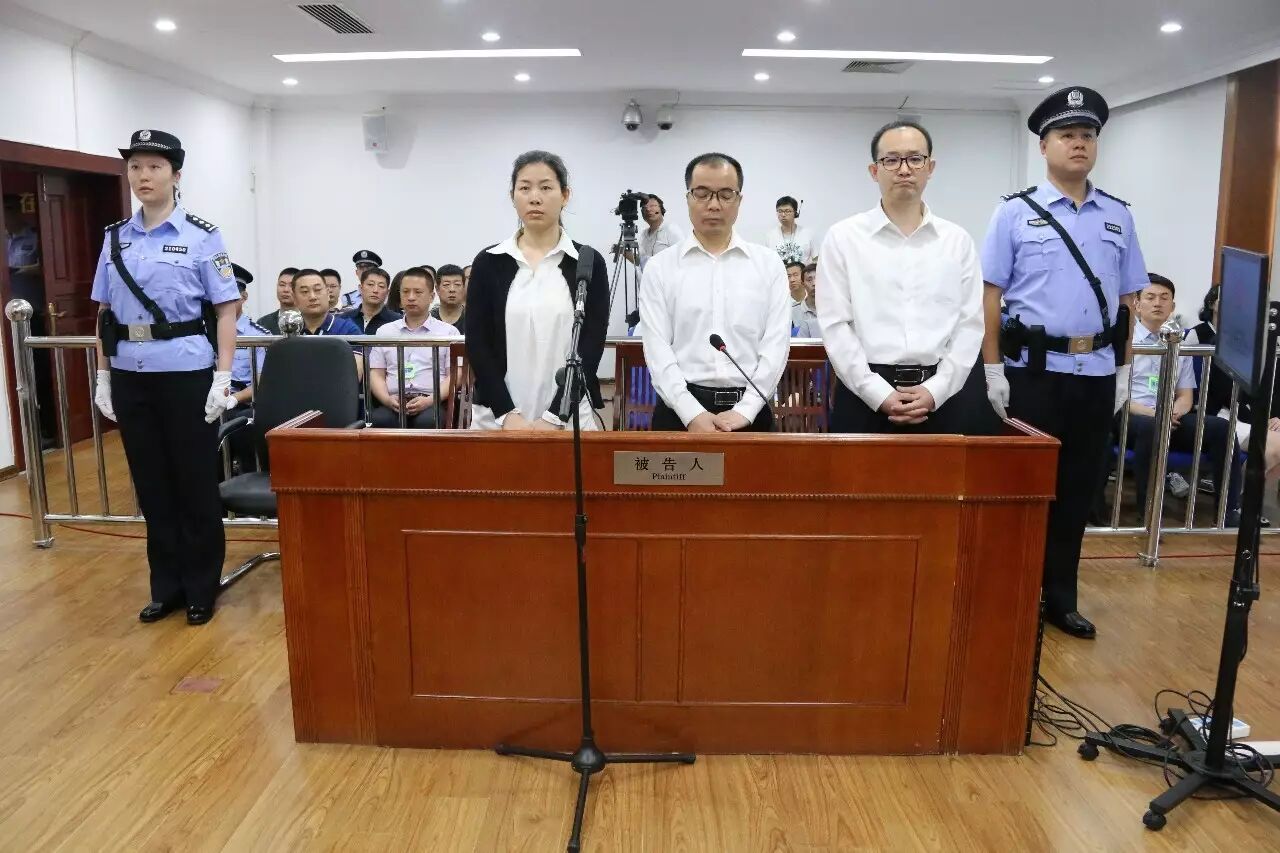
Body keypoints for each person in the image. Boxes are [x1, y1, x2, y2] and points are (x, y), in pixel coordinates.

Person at [981, 87, 1148, 639]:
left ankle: (1060, 598)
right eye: (1067, 135)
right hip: (1033, 374)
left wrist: (1124, 370)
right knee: (1024, 489)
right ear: (1044, 145)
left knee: (1078, 490)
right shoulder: (1014, 213)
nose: (1079, 144)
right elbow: (990, 296)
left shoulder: (1118, 216)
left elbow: (1127, 302)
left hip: (1095, 374)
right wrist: (993, 369)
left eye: (1088, 135)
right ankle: (1012, 592)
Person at [90, 129, 240, 626]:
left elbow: (226, 310)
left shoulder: (202, 236)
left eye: (154, 166)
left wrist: (223, 376)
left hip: (186, 373)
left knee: (194, 483)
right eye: (135, 166)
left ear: (176, 175)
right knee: (151, 485)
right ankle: (167, 587)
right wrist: (104, 376)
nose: (143, 176)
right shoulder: (115, 237)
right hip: (131, 375)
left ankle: (201, 587)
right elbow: (105, 314)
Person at [819, 120, 987, 436]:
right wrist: (876, 393)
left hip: (943, 397)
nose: (904, 169)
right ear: (874, 171)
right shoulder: (843, 238)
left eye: (915, 159)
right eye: (892, 160)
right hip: (864, 397)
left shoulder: (957, 241)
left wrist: (936, 390)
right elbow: (835, 325)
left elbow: (970, 325)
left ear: (930, 167)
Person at [639, 152, 790, 432]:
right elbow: (657, 348)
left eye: (725, 194)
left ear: (739, 200)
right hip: (679, 412)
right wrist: (691, 412)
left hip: (752, 410)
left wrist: (747, 409)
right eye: (702, 193)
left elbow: (776, 344)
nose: (713, 204)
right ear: (688, 198)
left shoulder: (768, 265)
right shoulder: (660, 268)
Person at [466, 150, 610, 431]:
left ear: (565, 195)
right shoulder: (489, 262)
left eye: (546, 188)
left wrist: (556, 415)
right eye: (524, 188)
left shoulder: (587, 262)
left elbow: (591, 343)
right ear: (512, 196)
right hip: (497, 417)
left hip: (569, 417)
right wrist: (507, 414)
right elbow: (478, 343)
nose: (535, 198)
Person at [1125, 273, 1242, 521]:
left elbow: (1186, 395)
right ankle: (1148, 513)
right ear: (1137, 304)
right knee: (1151, 427)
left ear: (1172, 306)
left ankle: (1227, 511)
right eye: (1150, 297)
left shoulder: (1178, 342)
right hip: (1133, 415)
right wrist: (1157, 414)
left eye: (1164, 298)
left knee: (1221, 428)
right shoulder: (1126, 341)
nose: (1158, 303)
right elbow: (1119, 396)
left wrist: (1174, 411)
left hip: (1172, 415)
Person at [368, 268, 457, 428]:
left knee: (428, 422)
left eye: (418, 292)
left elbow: (454, 376)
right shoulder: (384, 332)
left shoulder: (448, 333)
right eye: (405, 292)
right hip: (394, 400)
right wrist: (387, 400)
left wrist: (430, 400)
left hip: (432, 401)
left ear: (432, 296)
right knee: (380, 420)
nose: (410, 297)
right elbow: (376, 373)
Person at [224, 264, 269, 473]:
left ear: (244, 297)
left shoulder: (258, 336)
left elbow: (261, 382)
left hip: (242, 403)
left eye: (232, 296)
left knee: (244, 424)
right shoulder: (203, 332)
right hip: (208, 402)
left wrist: (233, 399)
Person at [340, 266, 400, 334]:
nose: (375, 290)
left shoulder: (397, 322)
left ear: (387, 292)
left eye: (381, 286)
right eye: (370, 284)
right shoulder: (344, 319)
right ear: (360, 288)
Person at [765, 195, 816, 266]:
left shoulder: (808, 234)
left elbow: (816, 259)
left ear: (795, 213)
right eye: (780, 211)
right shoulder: (770, 236)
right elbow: (767, 262)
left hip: (802, 273)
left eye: (787, 211)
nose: (783, 214)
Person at [638, 193, 684, 269]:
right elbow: (642, 261)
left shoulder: (671, 229)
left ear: (661, 209)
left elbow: (683, 258)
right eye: (644, 207)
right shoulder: (644, 234)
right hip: (649, 276)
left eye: (652, 206)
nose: (648, 209)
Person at [256, 267, 298, 334]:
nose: (286, 290)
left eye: (291, 285)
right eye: (282, 285)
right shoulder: (263, 323)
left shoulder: (309, 321)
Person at [431, 263, 467, 333]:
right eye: (446, 285)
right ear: (437, 289)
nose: (452, 289)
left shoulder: (474, 319)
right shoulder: (429, 320)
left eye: (457, 284)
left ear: (463, 288)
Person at [793, 263, 819, 337]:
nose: (814, 283)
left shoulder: (835, 309)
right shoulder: (793, 312)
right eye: (809, 280)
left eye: (818, 278)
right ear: (803, 284)